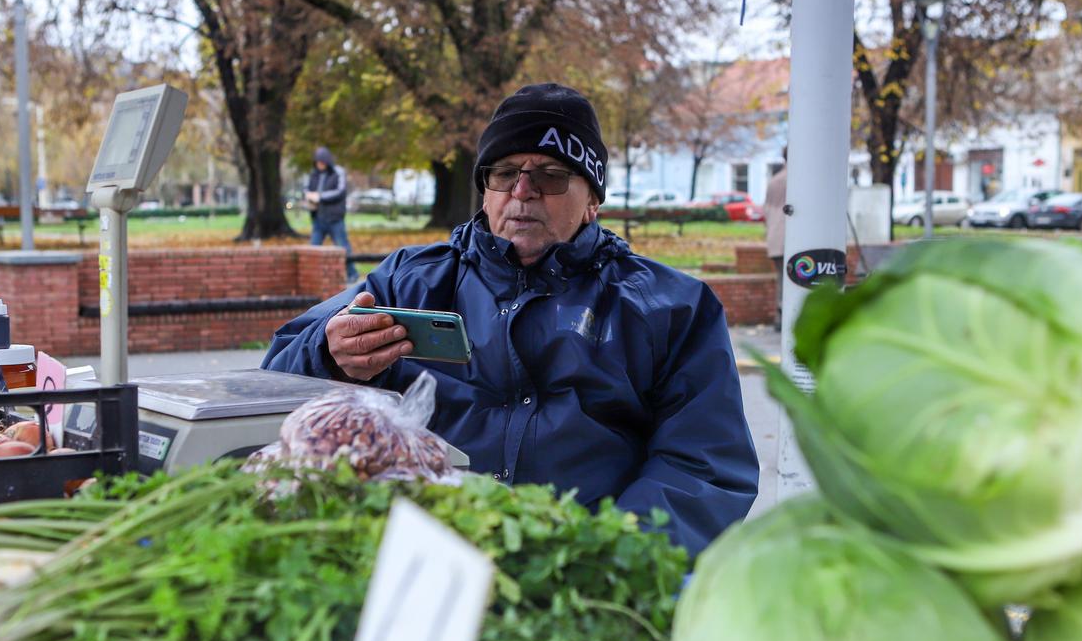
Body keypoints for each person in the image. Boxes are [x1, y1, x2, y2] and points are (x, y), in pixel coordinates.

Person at [264, 83, 759, 554]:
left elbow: (704, 468)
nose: (523, 191)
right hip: (421, 554)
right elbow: (276, 374)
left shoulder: (668, 306)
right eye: (504, 173)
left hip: (585, 571)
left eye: (550, 176)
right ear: (485, 190)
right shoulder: (406, 281)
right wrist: (330, 354)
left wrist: (605, 554)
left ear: (592, 200)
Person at [306, 146, 358, 283]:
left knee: (343, 247)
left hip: (334, 218)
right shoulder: (314, 174)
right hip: (318, 218)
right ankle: (311, 277)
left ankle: (352, 274)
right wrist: (309, 195)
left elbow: (340, 191)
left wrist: (320, 197)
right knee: (313, 248)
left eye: (322, 162)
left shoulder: (338, 172)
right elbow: (308, 188)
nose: (319, 165)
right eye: (317, 162)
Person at [763, 149, 788, 274]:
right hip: (788, 240)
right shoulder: (797, 179)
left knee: (782, 281)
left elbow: (766, 210)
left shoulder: (774, 180)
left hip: (774, 239)